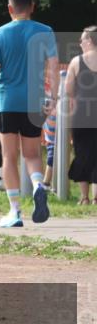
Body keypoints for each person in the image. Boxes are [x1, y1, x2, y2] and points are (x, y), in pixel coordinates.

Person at [0, 0, 59, 227]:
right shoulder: (45, 32)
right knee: (33, 154)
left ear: (10, 8)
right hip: (34, 101)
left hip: (7, 101)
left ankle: (14, 212)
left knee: (9, 157)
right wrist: (53, 100)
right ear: (32, 6)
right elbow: (53, 67)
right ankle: (37, 186)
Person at [66, 25, 97, 205]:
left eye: (82, 40)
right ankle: (96, 198)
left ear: (90, 41)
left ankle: (84, 197)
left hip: (82, 114)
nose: (80, 43)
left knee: (82, 153)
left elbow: (69, 90)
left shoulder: (77, 62)